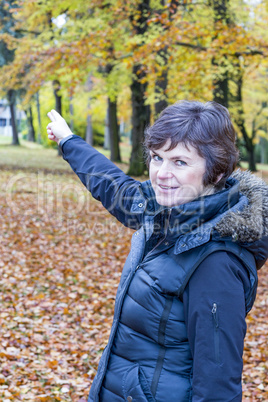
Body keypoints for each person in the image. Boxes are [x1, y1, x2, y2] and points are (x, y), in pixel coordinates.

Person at [47, 101, 268, 402]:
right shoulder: (162, 209)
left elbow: (218, 386)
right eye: (156, 157)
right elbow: (115, 188)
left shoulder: (216, 262)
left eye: (179, 162)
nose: (161, 173)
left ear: (215, 172)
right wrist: (68, 141)